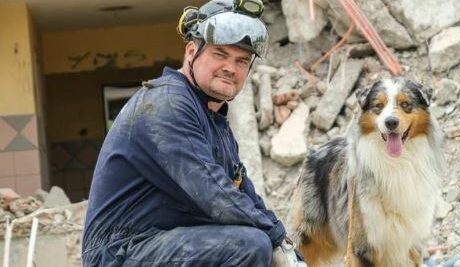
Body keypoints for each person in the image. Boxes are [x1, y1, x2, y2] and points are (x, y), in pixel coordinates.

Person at [82, 0, 301, 266]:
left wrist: (290, 250)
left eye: (242, 60)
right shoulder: (168, 103)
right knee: (249, 245)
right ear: (190, 52)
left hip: (160, 243)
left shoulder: (214, 120)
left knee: (260, 242)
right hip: (121, 251)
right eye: (220, 54)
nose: (231, 68)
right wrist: (276, 240)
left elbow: (244, 196)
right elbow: (214, 196)